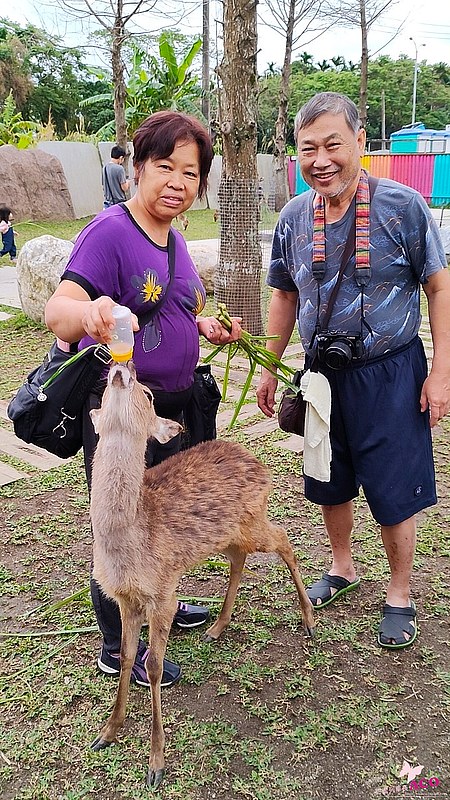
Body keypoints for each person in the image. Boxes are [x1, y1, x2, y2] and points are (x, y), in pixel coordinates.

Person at [45, 110, 241, 687]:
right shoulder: (110, 232)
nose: (178, 181)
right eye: (165, 166)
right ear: (136, 168)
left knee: (165, 521)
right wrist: (89, 313)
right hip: (126, 417)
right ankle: (115, 643)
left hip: (174, 410)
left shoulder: (174, 239)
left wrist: (202, 327)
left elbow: (175, 311)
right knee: (121, 520)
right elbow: (59, 310)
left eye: (191, 171)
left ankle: (166, 606)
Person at [256, 92, 450, 650]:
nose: (321, 159)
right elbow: (284, 295)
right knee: (328, 477)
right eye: (307, 148)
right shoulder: (294, 216)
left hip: (391, 372)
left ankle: (401, 592)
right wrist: (271, 366)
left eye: (332, 144)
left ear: (360, 141)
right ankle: (342, 566)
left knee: (394, 486)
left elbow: (439, 286)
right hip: (321, 375)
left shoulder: (403, 207)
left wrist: (439, 374)